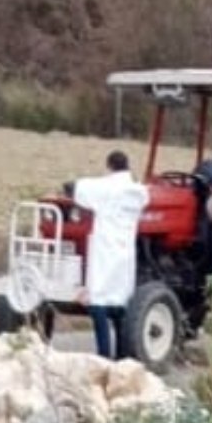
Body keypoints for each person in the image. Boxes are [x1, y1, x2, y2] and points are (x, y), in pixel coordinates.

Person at [72, 150, 149, 360]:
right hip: (124, 253)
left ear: (109, 166)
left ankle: (103, 356)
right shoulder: (139, 192)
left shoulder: (105, 188)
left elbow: (77, 188)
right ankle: (123, 356)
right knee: (121, 306)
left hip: (105, 251)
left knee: (99, 305)